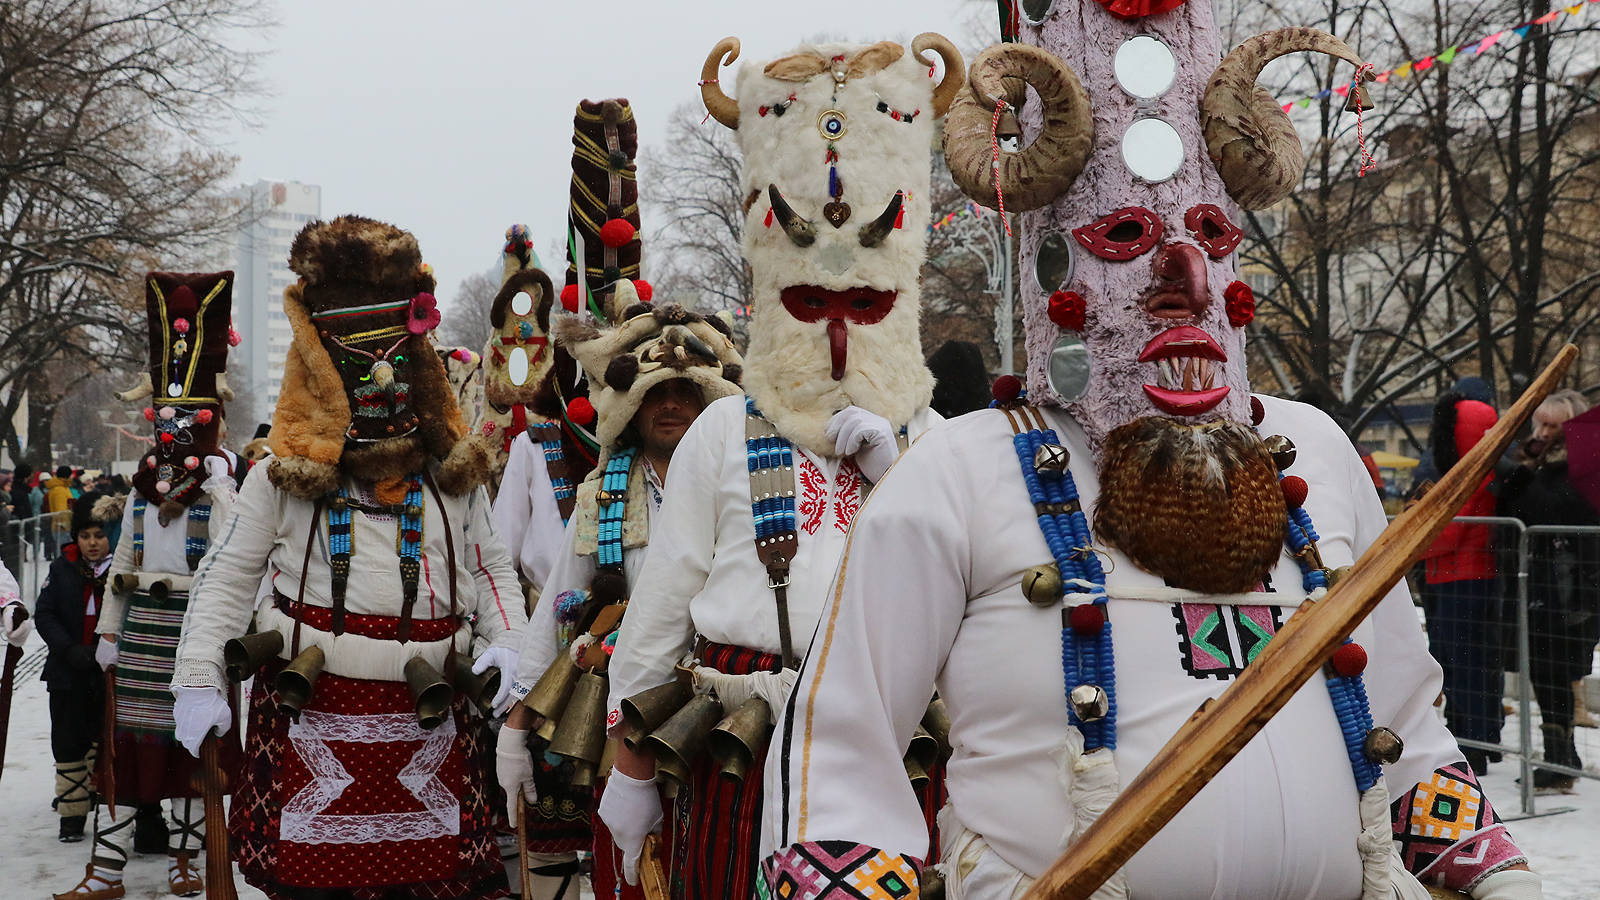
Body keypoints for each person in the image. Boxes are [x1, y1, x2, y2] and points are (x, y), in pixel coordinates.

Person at [759, 7, 1538, 900]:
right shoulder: (955, 475)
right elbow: (840, 755)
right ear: (1053, 270)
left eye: (1210, 237)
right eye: (1125, 237)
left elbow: (1405, 718)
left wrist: (1497, 880)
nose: (1188, 282)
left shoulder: (1313, 449)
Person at [598, 35, 963, 900]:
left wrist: (897, 471)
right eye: (812, 301)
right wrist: (629, 766)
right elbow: (659, 611)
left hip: (896, 754)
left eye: (864, 302)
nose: (838, 329)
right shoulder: (724, 429)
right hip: (738, 754)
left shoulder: (940, 441)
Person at [171, 216, 524, 900]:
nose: (379, 378)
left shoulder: (450, 470)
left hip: (437, 717)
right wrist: (198, 673)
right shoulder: (279, 472)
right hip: (309, 710)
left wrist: (508, 639)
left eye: (391, 354)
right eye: (355, 361)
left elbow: (489, 568)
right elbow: (228, 577)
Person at [498, 282, 743, 900]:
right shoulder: (599, 492)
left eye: (688, 392)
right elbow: (560, 603)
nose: (672, 405)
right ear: (630, 405)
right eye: (656, 392)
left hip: (723, 714)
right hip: (623, 722)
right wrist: (517, 723)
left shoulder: (747, 486)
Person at [52, 270, 242, 900]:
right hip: (138, 639)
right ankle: (107, 870)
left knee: (186, 752)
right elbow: (119, 576)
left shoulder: (220, 497)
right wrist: (108, 631)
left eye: (186, 420)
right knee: (127, 753)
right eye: (165, 419)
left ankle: (187, 860)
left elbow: (235, 567)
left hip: (192, 636)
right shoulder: (136, 499)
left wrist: (219, 485)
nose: (173, 432)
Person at [1497, 389, 1600, 795]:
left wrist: (1520, 475)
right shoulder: (1539, 461)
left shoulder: (1581, 465)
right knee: (1542, 672)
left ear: (1569, 428)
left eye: (1551, 425)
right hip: (1542, 582)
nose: (1541, 431)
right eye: (1538, 422)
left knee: (1557, 670)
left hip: (1571, 587)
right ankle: (1560, 755)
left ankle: (1562, 758)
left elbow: (1551, 510)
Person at [1419, 382, 1505, 774]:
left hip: (1459, 579)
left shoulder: (1469, 479)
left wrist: (1418, 534)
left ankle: (1472, 742)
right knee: (1470, 661)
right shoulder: (1478, 475)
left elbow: (1442, 536)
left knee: (1461, 662)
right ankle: (1480, 736)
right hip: (1460, 577)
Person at [31, 497, 115, 853]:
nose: (92, 543)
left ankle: (95, 794)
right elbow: (45, 614)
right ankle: (71, 813)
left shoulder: (121, 570)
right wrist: (68, 648)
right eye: (85, 536)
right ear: (75, 538)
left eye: (99, 535)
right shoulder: (62, 568)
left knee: (100, 736)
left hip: (107, 671)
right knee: (68, 741)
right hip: (68, 671)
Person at [46, 464, 76, 555]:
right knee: (66, 554)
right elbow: (61, 510)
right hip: (63, 528)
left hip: (62, 527)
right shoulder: (60, 490)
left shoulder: (63, 488)